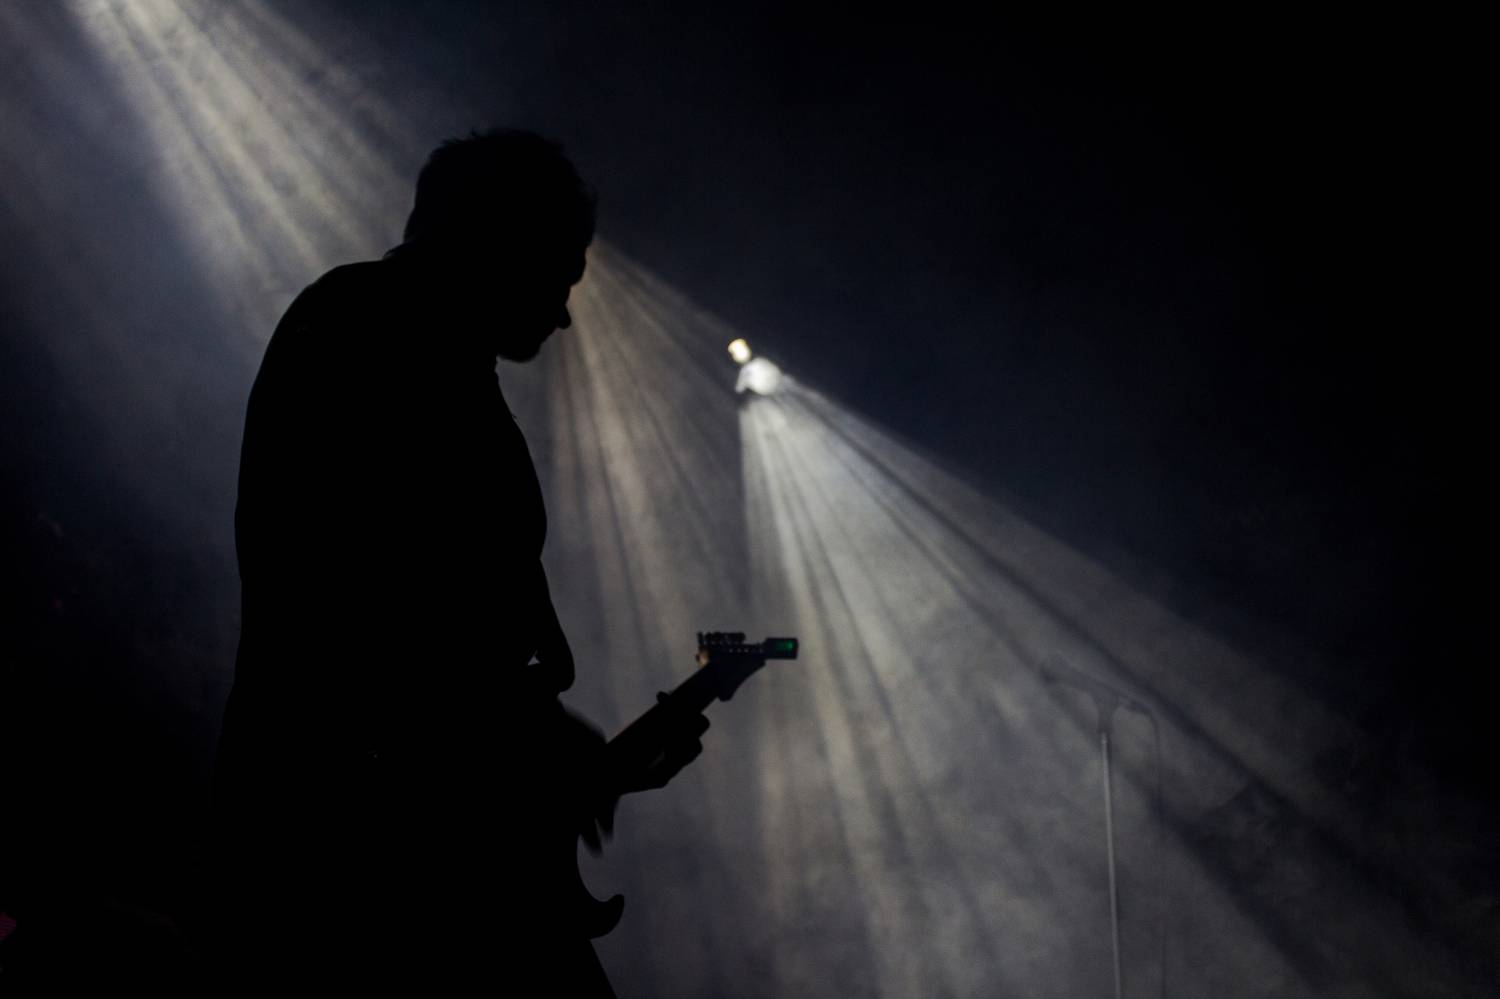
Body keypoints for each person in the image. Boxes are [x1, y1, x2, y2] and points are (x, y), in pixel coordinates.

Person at [206, 129, 704, 994]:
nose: (564, 313)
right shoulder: (366, 329)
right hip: (358, 854)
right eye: (560, 277)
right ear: (501, 241)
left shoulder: (421, 351)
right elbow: (362, 614)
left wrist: (562, 757)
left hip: (400, 841)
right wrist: (535, 744)